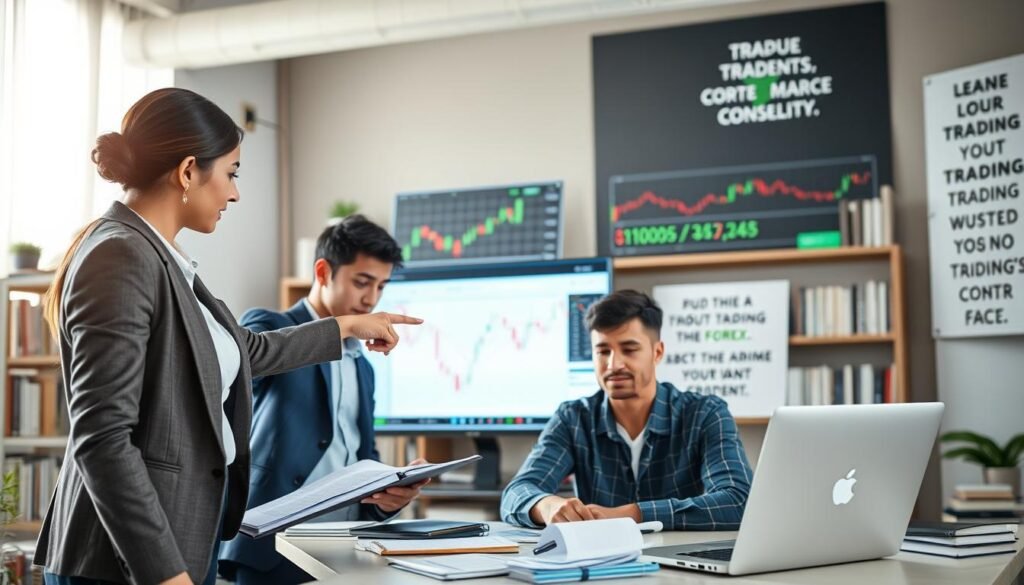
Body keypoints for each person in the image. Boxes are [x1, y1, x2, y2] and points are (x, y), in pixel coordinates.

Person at [34, 88, 420, 585]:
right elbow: (102, 438)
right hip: (122, 561)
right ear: (189, 171)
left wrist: (346, 326)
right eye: (232, 173)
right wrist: (165, 573)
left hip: (178, 545)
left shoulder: (164, 259)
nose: (235, 193)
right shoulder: (121, 255)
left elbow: (245, 350)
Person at [218, 216, 427, 584]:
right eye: (362, 282)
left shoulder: (364, 366)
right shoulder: (267, 326)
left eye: (381, 286)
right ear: (323, 271)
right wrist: (341, 328)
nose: (372, 299)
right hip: (270, 548)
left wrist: (389, 496)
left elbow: (365, 455)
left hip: (345, 553)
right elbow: (247, 365)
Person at [500, 290, 752, 530]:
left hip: (685, 565)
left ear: (657, 352)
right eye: (603, 351)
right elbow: (516, 493)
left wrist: (632, 514)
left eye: (629, 350)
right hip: (603, 566)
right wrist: (546, 505)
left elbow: (738, 501)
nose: (613, 364)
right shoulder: (573, 418)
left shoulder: (706, 414)